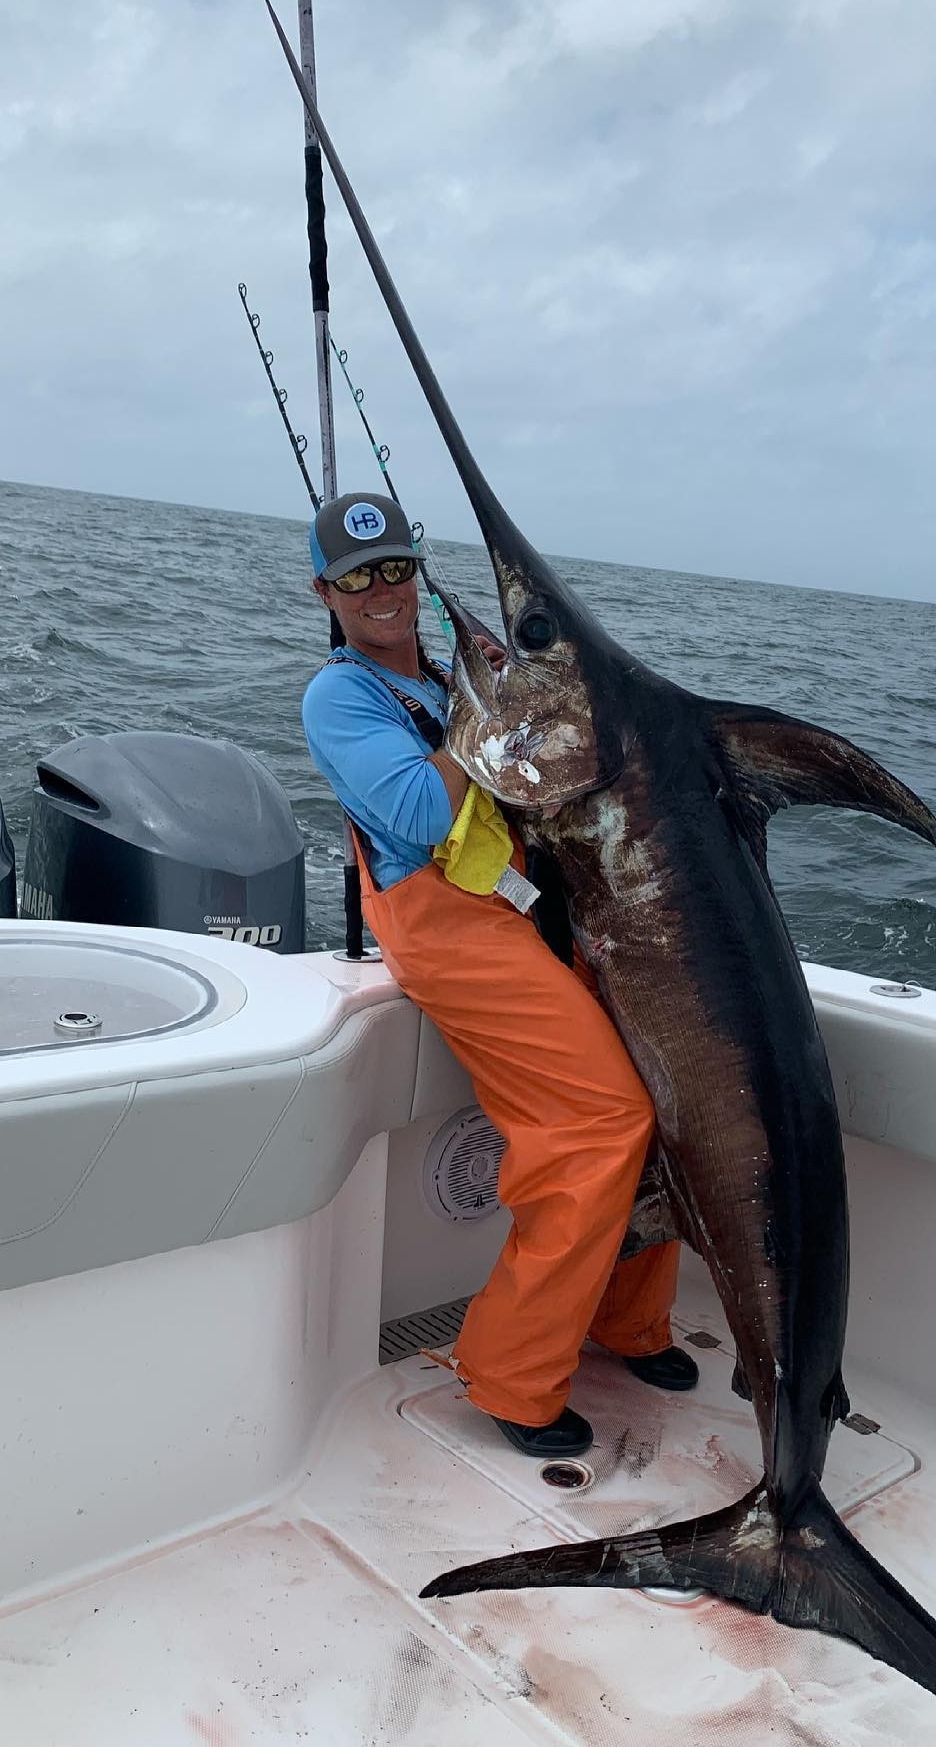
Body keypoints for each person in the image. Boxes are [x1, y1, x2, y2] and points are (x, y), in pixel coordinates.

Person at [300, 491, 695, 1456]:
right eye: (356, 577)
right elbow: (422, 816)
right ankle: (513, 1377)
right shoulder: (340, 696)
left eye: (395, 567)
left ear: (417, 571)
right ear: (326, 593)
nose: (381, 590)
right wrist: (498, 729)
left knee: (665, 1082)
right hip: (448, 931)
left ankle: (628, 1320)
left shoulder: (447, 678)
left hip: (528, 907)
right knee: (599, 1120)